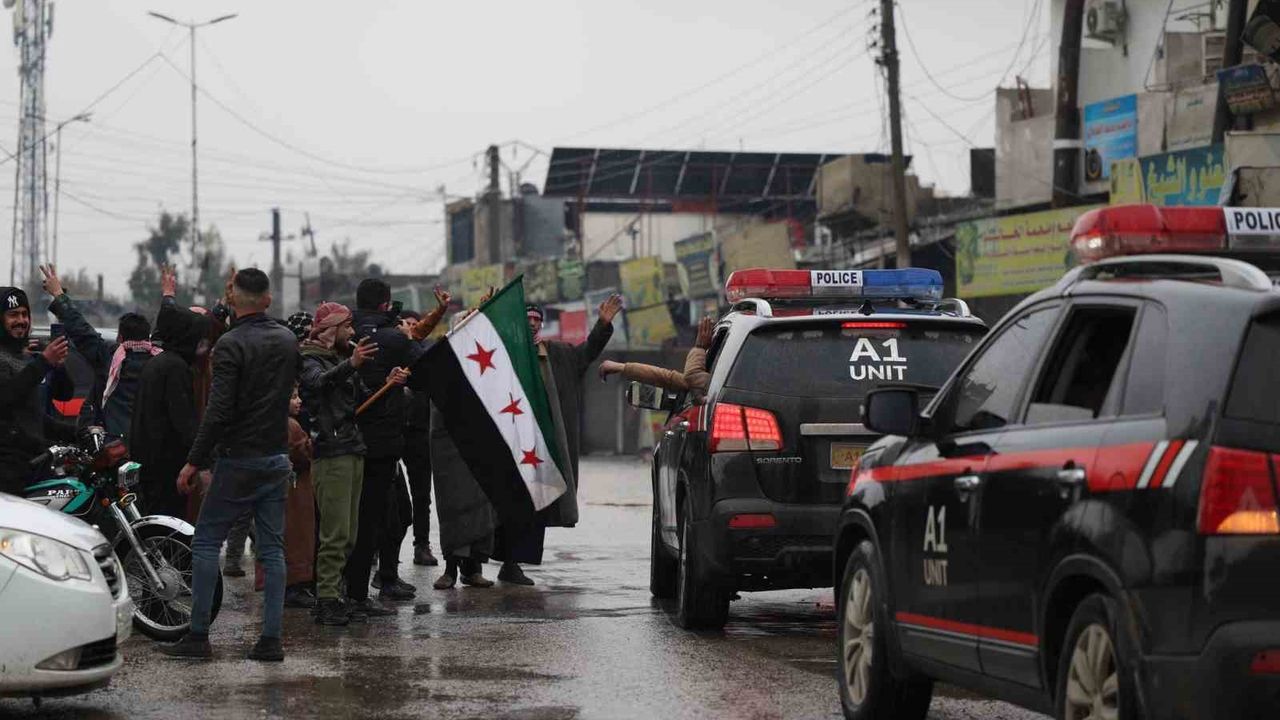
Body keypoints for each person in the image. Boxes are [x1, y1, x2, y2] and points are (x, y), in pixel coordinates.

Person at [160, 268, 299, 663]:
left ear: (234, 299)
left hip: (239, 459)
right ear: (268, 299)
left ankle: (198, 635)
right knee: (272, 550)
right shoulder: (287, 340)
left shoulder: (230, 346)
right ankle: (270, 641)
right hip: (277, 457)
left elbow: (218, 411)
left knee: (206, 542)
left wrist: (193, 462)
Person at [492, 296, 622, 585]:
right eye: (526, 319)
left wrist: (602, 325)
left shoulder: (558, 354)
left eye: (536, 320)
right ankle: (481, 562)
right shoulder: (505, 353)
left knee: (538, 504)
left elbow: (587, 352)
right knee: (507, 503)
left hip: (544, 446)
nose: (532, 324)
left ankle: (514, 563)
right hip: (512, 441)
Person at [347, 280, 443, 606]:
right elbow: (426, 372)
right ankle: (358, 593)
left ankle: (382, 578)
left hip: (351, 439)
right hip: (381, 441)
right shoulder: (393, 338)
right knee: (378, 517)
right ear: (386, 305)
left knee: (389, 513)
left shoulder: (346, 333)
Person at [300, 301, 380, 626]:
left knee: (348, 535)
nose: (352, 331)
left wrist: (389, 381)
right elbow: (319, 382)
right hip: (331, 453)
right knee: (334, 535)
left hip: (352, 448)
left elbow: (361, 398)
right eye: (347, 326)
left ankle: (336, 595)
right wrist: (351, 364)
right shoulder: (309, 358)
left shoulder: (338, 359)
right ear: (331, 329)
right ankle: (326, 600)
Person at [41, 265, 158, 439]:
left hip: (113, 446)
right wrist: (168, 296)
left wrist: (58, 294)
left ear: (120, 337)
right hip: (150, 445)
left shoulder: (110, 359)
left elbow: (81, 330)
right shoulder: (160, 364)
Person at [130, 269, 211, 519]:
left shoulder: (161, 361)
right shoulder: (175, 368)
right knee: (169, 526)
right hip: (166, 467)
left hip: (150, 463)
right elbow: (183, 421)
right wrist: (201, 462)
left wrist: (168, 295)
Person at [0, 286, 74, 495]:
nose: (21, 320)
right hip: (7, 474)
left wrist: (77, 433)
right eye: (13, 315)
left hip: (33, 464)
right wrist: (43, 362)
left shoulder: (23, 356)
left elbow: (35, 414)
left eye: (25, 314)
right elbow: (6, 397)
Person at [396, 310, 437, 567]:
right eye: (406, 324)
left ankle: (422, 544)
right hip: (394, 430)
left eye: (415, 324)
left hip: (420, 431)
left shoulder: (426, 352)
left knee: (421, 493)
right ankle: (379, 546)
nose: (411, 328)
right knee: (390, 495)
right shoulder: (389, 350)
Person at [597, 315, 715, 394]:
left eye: (674, 345)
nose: (676, 350)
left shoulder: (713, 383)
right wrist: (622, 367)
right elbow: (668, 379)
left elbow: (688, 381)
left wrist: (699, 348)